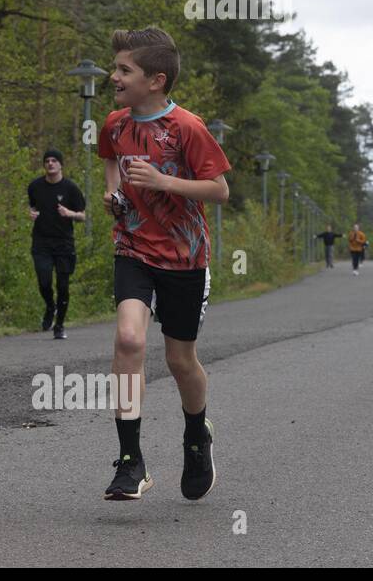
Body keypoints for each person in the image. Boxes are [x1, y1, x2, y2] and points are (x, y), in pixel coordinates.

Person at [97, 27, 230, 502]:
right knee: (129, 338)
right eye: (115, 67)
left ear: (155, 80)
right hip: (133, 248)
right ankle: (131, 461)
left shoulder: (188, 128)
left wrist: (162, 181)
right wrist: (113, 194)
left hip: (185, 257)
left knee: (179, 359)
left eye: (123, 70)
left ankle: (197, 435)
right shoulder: (114, 123)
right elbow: (110, 159)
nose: (113, 75)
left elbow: (219, 190)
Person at [27, 150, 86, 339]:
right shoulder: (35, 186)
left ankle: (59, 325)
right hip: (41, 242)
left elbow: (83, 216)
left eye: (54, 161)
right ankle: (50, 306)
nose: (50, 164)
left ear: (61, 164)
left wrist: (70, 214)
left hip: (64, 243)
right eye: (47, 161)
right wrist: (32, 213)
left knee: (63, 286)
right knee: (44, 281)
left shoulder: (71, 189)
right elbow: (33, 206)